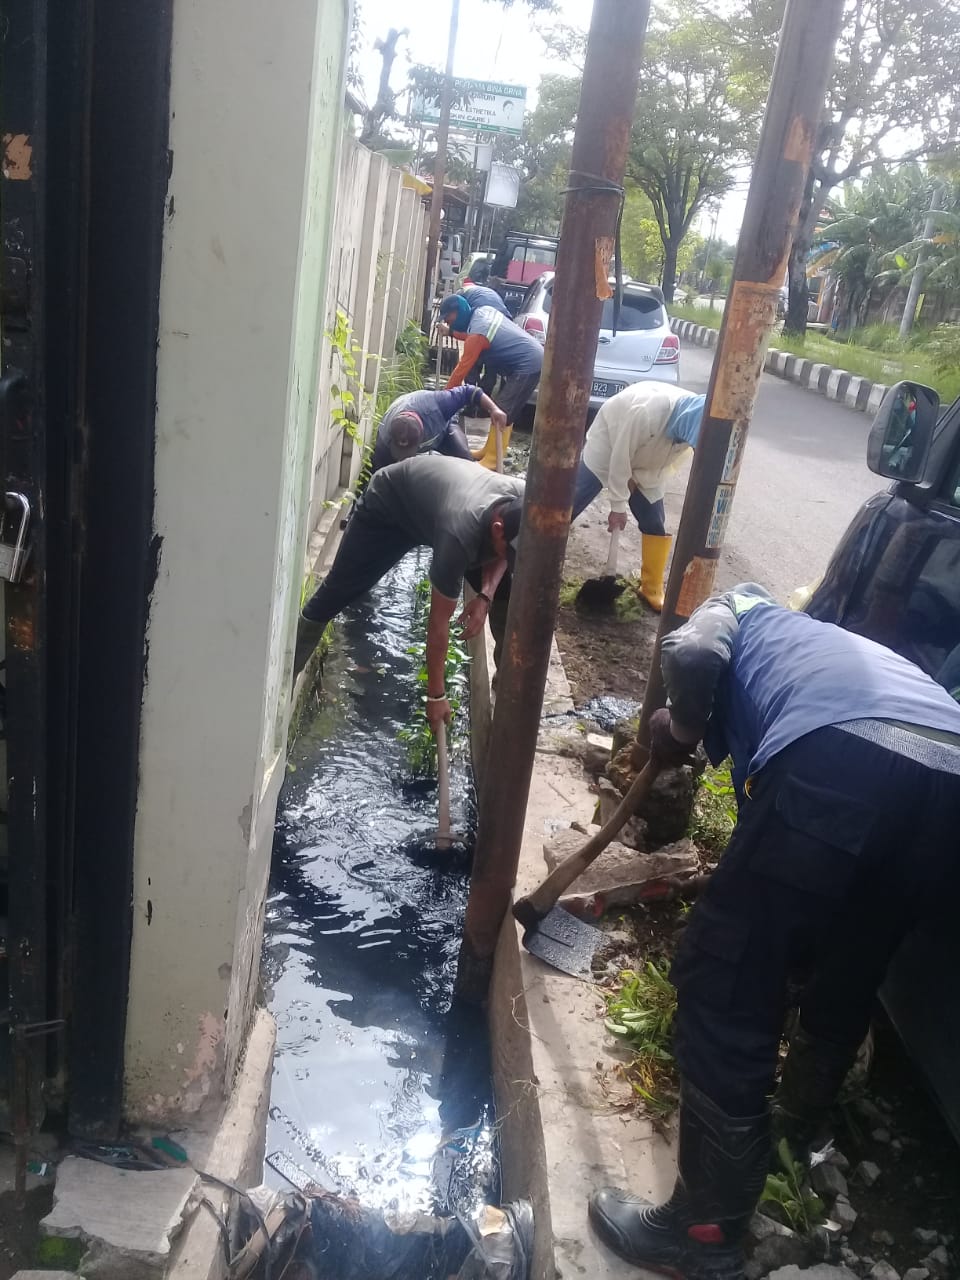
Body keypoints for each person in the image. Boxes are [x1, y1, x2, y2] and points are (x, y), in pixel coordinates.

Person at [589, 585, 960, 1280]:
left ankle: (703, 1233)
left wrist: (683, 728)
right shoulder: (816, 647)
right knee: (856, 953)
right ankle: (800, 1117)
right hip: (947, 781)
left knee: (726, 979)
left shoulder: (736, 608)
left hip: (845, 759)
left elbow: (692, 650)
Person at [294, 456, 523, 720]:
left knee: (506, 596)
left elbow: (504, 554)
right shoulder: (459, 534)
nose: (511, 556)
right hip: (389, 510)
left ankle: (508, 685)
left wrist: (485, 595)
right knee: (336, 593)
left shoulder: (524, 498)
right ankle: (285, 676)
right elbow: (438, 623)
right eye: (510, 550)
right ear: (497, 528)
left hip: (442, 511)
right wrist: (436, 696)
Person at [572, 383, 706, 611]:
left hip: (650, 464)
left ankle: (651, 587)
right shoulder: (647, 412)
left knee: (654, 521)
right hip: (610, 446)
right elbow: (620, 459)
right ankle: (540, 557)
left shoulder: (701, 418)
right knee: (569, 504)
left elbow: (675, 458)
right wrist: (617, 506)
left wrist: (636, 483)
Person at [439, 295, 543, 469]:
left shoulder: (478, 333)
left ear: (458, 312)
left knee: (502, 409)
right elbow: (471, 336)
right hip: (529, 358)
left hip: (528, 364)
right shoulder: (480, 313)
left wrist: (443, 398)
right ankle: (488, 450)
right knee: (505, 408)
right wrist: (452, 332)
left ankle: (494, 459)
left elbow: (461, 370)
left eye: (449, 318)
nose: (448, 323)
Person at [371, 385, 507, 472]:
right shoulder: (385, 437)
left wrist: (493, 409)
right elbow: (379, 473)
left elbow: (471, 392)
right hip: (401, 438)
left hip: (443, 430)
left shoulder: (439, 405)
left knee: (466, 463)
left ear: (421, 435)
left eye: (408, 451)